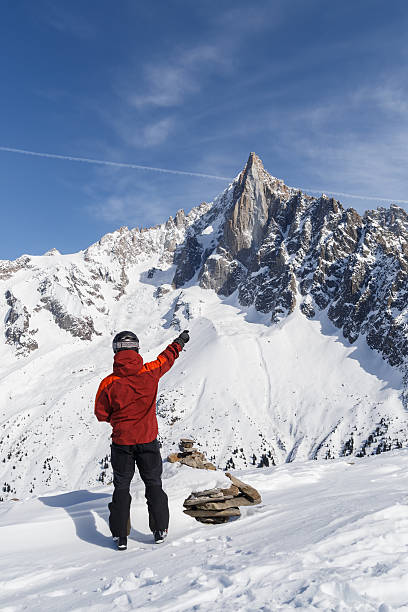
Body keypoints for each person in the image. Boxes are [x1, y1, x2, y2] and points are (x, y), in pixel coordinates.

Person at [94, 329, 190, 550]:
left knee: (121, 488)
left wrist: (117, 420)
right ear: (136, 349)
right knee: (154, 484)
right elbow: (167, 358)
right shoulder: (150, 372)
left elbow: (101, 413)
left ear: (115, 351)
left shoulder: (108, 383)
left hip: (122, 443)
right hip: (147, 440)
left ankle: (120, 536)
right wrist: (180, 342)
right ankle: (159, 530)